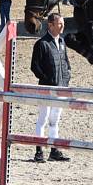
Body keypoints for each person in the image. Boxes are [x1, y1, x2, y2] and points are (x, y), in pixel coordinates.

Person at [30, 13, 72, 163]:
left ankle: (54, 149)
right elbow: (34, 66)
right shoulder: (41, 43)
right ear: (50, 25)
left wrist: (66, 78)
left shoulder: (61, 42)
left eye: (62, 23)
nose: (62, 26)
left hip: (61, 87)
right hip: (47, 89)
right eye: (59, 24)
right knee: (43, 119)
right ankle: (39, 151)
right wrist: (47, 80)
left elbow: (66, 62)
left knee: (55, 120)